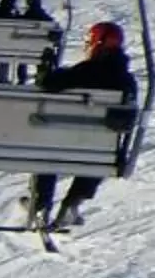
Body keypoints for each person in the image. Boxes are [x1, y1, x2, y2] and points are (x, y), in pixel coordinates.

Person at [26, 18, 135, 231]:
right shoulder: (126, 81)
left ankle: (41, 203)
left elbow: (48, 84)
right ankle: (73, 200)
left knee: (48, 150)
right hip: (99, 152)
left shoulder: (84, 71)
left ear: (97, 44)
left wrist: (45, 70)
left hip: (58, 146)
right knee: (101, 149)